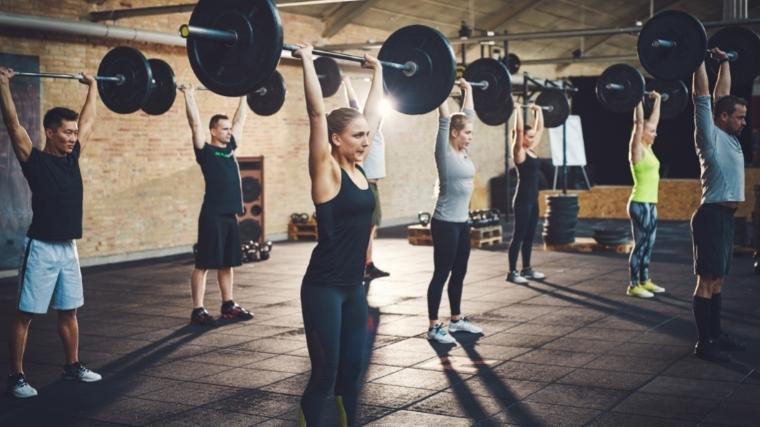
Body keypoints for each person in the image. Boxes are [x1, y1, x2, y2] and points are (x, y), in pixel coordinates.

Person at [294, 43, 383, 427]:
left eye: (367, 135)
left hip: (353, 287)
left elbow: (374, 116)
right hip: (323, 287)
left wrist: (379, 71)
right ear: (336, 139)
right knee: (325, 373)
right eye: (358, 136)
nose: (366, 141)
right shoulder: (327, 172)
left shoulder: (360, 170)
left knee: (352, 371)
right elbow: (317, 114)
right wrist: (308, 61)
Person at [1, 67, 102, 398]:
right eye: (67, 133)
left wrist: (93, 87)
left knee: (69, 310)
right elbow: (14, 126)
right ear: (50, 133)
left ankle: (72, 366)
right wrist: (3, 86)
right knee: (26, 314)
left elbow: (89, 121)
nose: (74, 137)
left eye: (74, 133)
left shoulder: (73, 160)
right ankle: (16, 376)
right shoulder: (34, 160)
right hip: (41, 247)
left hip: (68, 248)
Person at [690, 48, 748, 362]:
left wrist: (724, 60)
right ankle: (704, 342)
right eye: (739, 117)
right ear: (723, 118)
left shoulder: (729, 135)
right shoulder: (709, 134)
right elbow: (703, 94)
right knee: (706, 279)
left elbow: (721, 94)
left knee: (719, 279)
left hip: (725, 218)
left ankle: (716, 334)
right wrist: (694, 56)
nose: (743, 122)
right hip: (711, 215)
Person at [179, 85, 253, 326]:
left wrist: (244, 93)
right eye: (224, 129)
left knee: (227, 262)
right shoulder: (205, 150)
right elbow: (194, 123)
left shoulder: (231, 149)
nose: (230, 132)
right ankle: (198, 310)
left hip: (230, 214)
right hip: (211, 214)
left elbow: (240, 120)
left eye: (229, 129)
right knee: (203, 264)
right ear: (213, 131)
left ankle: (228, 304)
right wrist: (189, 96)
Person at [425, 79, 483, 345]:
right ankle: (434, 326)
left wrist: (468, 90)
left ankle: (457, 320)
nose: (470, 136)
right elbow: (446, 118)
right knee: (442, 273)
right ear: (454, 134)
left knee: (459, 271)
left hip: (462, 222)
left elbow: (467, 115)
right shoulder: (445, 153)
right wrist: (437, 87)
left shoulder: (463, 152)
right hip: (445, 222)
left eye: (471, 133)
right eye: (467, 133)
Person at [342, 75, 390, 281]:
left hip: (374, 185)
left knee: (370, 227)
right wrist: (347, 83)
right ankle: (359, 265)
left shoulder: (377, 131)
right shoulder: (365, 132)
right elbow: (354, 105)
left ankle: (367, 264)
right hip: (365, 185)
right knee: (365, 228)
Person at [626, 94, 667, 298]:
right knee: (641, 244)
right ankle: (634, 285)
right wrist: (636, 99)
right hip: (640, 203)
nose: (654, 133)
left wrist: (657, 100)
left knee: (649, 244)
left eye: (654, 131)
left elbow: (653, 121)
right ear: (642, 133)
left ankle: (645, 280)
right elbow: (639, 122)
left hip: (650, 203)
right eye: (651, 131)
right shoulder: (637, 149)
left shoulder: (649, 148)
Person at [506, 104, 547, 284]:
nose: (531, 139)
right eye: (528, 137)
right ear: (521, 137)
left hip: (533, 200)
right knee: (519, 236)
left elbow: (540, 129)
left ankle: (527, 269)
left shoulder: (531, 149)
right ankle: (512, 272)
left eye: (532, 137)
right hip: (522, 200)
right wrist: (516, 110)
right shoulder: (519, 151)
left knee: (530, 235)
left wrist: (538, 112)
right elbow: (519, 129)